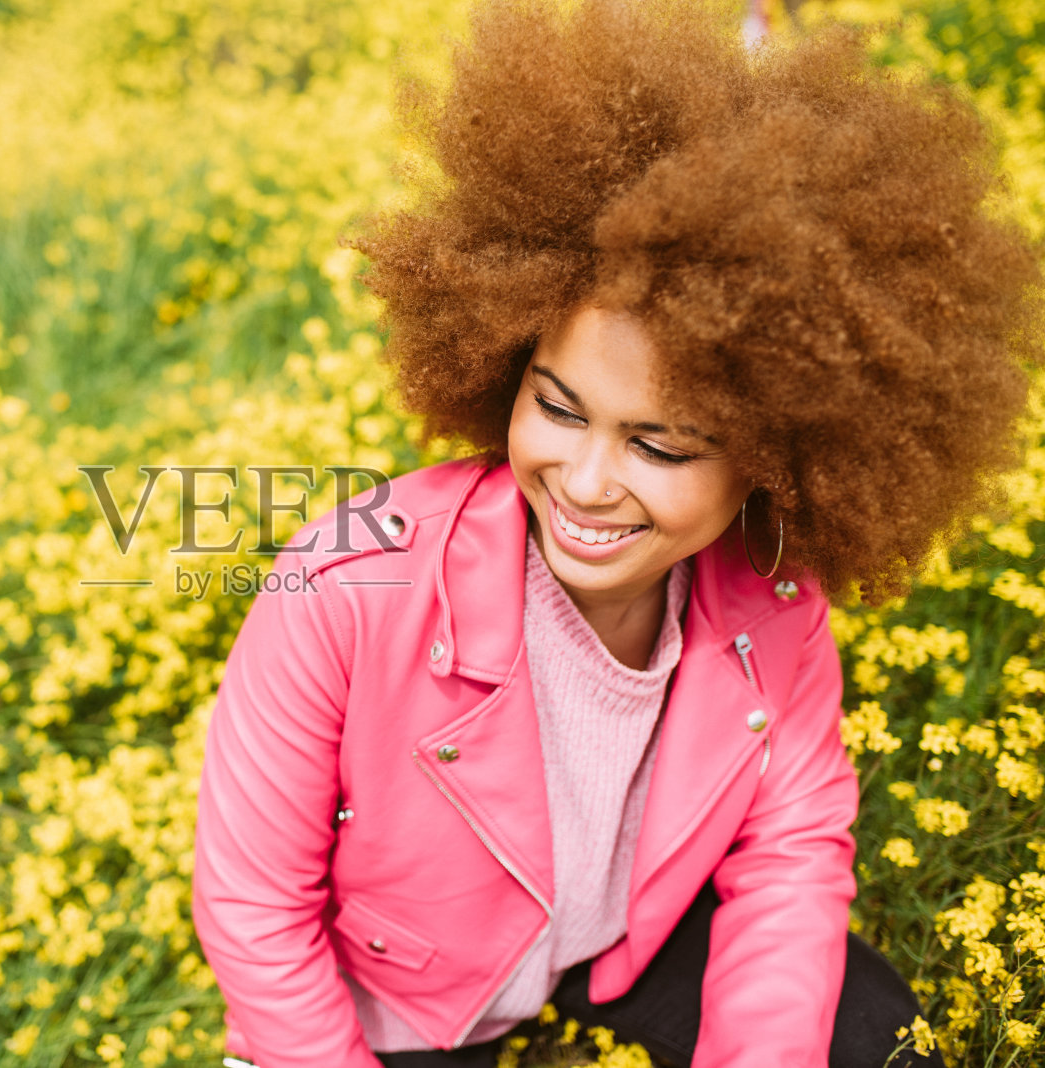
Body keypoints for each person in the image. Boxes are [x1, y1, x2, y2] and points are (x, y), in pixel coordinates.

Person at [189, 0, 1045, 1066]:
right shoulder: (347, 574)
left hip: (625, 941)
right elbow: (253, 902)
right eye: (555, 408)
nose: (587, 483)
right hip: (400, 996)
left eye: (663, 446)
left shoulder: (772, 610)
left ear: (771, 458)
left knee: (876, 1035)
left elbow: (786, 860)